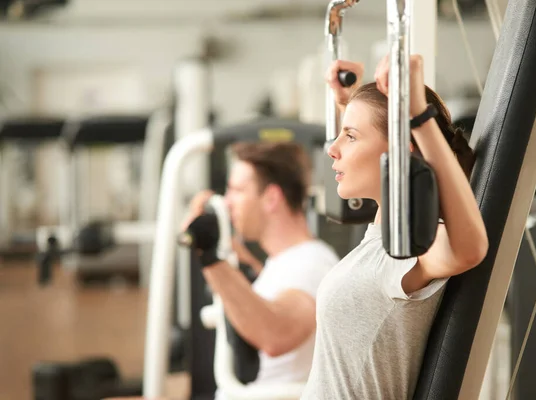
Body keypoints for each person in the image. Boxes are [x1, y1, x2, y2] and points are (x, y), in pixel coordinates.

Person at [300, 55, 489, 399]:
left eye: (350, 137)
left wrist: (417, 115)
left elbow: (469, 249)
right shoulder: (383, 238)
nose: (332, 149)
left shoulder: (412, 245)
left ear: (403, 151)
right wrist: (353, 101)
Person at [182, 141, 340, 393]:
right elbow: (266, 293)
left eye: (237, 190)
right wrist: (223, 248)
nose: (228, 202)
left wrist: (210, 258)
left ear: (271, 199)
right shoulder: (288, 260)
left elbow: (277, 333)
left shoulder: (312, 264)